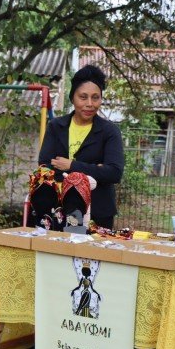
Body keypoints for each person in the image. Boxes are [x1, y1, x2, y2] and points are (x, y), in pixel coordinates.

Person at [38, 65, 124, 229]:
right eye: (83, 97)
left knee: (93, 254)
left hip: (98, 212)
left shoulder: (109, 131)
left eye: (95, 97)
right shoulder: (56, 127)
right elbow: (45, 166)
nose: (89, 104)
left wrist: (71, 165)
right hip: (59, 210)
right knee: (59, 253)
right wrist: (95, 169)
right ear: (72, 98)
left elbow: (114, 172)